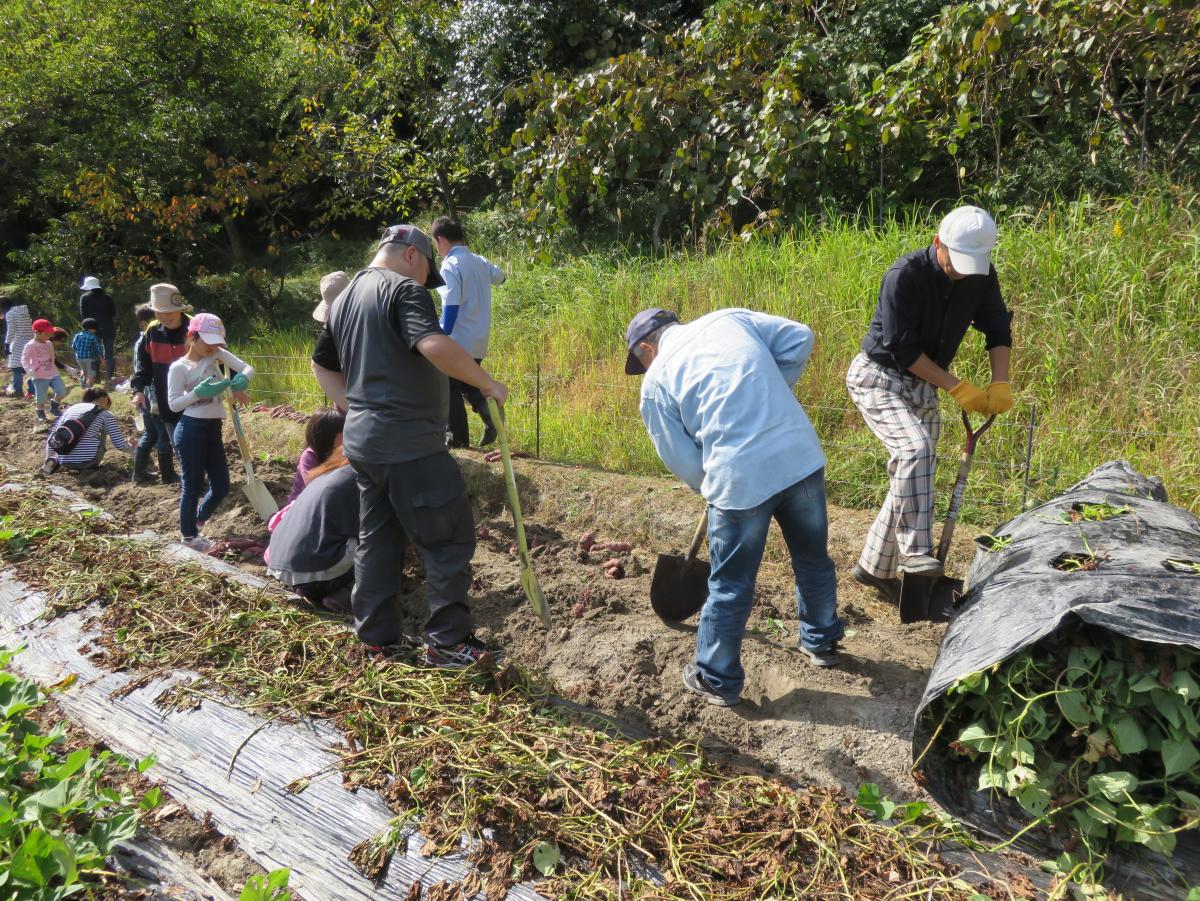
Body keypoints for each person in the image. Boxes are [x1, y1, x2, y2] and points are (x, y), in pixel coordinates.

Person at [624, 307, 844, 707]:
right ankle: (822, 642)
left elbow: (680, 457)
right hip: (799, 456)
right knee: (813, 558)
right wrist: (769, 394)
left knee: (730, 583)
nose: (642, 368)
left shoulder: (655, 383)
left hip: (740, 479)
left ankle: (717, 677)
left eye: (639, 361)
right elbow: (801, 337)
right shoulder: (727, 319)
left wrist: (708, 485)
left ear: (646, 346)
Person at [310, 223, 508, 667]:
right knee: (447, 540)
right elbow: (434, 343)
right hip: (409, 443)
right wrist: (486, 383)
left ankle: (377, 637)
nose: (425, 284)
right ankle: (448, 642)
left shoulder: (345, 299)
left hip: (364, 443)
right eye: (425, 274)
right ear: (413, 256)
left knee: (378, 540)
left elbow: (320, 364)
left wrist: (354, 406)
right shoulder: (402, 290)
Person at [846, 205, 1014, 604]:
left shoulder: (981, 276)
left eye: (970, 264)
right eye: (956, 261)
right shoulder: (903, 276)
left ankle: (874, 567)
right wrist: (958, 387)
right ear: (938, 243)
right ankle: (917, 556)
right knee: (915, 451)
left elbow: (997, 326)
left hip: (926, 382)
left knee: (914, 476)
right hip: (879, 377)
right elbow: (902, 350)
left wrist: (1000, 381)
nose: (961, 271)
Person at [166, 313, 254, 551]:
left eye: (217, 342)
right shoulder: (179, 368)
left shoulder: (217, 355)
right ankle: (189, 537)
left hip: (213, 428)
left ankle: (198, 518)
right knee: (192, 484)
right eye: (207, 340)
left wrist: (242, 380)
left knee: (222, 485)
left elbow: (247, 368)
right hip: (190, 430)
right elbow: (173, 404)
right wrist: (198, 394)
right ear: (191, 337)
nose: (213, 346)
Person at [431, 217, 505, 448]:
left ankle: (457, 441)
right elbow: (501, 277)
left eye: (435, 243)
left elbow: (451, 304)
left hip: (457, 338)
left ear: (441, 240)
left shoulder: (449, 265)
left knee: (449, 388)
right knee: (470, 382)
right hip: (478, 338)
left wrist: (442, 336)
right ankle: (491, 415)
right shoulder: (479, 260)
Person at [266, 448, 359, 614]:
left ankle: (310, 589)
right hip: (312, 571)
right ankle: (347, 595)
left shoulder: (331, 470)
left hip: (280, 563)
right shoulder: (366, 479)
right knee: (383, 540)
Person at [130, 284, 191, 485]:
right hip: (166, 399)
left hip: (196, 398)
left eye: (169, 311)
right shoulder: (153, 331)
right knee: (178, 443)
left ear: (180, 308)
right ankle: (192, 480)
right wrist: (138, 390)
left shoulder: (194, 328)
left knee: (198, 440)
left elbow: (217, 357)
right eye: (160, 312)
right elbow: (144, 367)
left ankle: (200, 476)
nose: (165, 316)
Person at [41, 386, 133, 474]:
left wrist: (48, 459)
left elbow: (53, 437)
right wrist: (134, 450)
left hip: (63, 460)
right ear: (105, 399)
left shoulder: (70, 409)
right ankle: (83, 460)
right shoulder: (105, 414)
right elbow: (120, 445)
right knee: (102, 431)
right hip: (88, 462)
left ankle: (57, 461)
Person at [288, 408, 345, 503]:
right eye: (341, 435)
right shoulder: (309, 456)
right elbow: (313, 486)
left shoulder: (336, 452)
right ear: (327, 436)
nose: (344, 439)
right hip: (301, 504)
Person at [22, 319, 66, 424]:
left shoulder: (49, 343)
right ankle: (41, 413)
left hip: (53, 373)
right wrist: (29, 369)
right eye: (46, 333)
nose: (49, 335)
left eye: (50, 333)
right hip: (39, 375)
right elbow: (24, 359)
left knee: (61, 391)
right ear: (37, 332)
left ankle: (54, 408)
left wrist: (62, 368)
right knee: (41, 396)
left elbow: (52, 358)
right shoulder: (30, 345)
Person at [78, 276, 116, 384]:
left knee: (94, 354)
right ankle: (108, 380)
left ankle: (96, 380)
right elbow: (113, 313)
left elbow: (84, 316)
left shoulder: (85, 298)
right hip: (109, 327)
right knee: (109, 354)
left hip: (92, 329)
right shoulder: (107, 297)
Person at [2, 296, 34, 398]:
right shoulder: (23, 311)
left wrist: (7, 344)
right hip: (30, 341)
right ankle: (33, 390)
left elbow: (11, 331)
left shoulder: (9, 314)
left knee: (16, 368)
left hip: (18, 343)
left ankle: (18, 390)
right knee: (30, 367)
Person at [71, 318, 105, 387]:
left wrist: (79, 352)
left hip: (79, 358)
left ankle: (83, 382)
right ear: (92, 328)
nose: (95, 331)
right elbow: (98, 349)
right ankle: (88, 387)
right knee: (92, 374)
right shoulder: (93, 337)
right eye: (95, 329)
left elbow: (73, 346)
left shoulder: (77, 335)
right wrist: (102, 360)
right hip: (89, 358)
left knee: (84, 370)